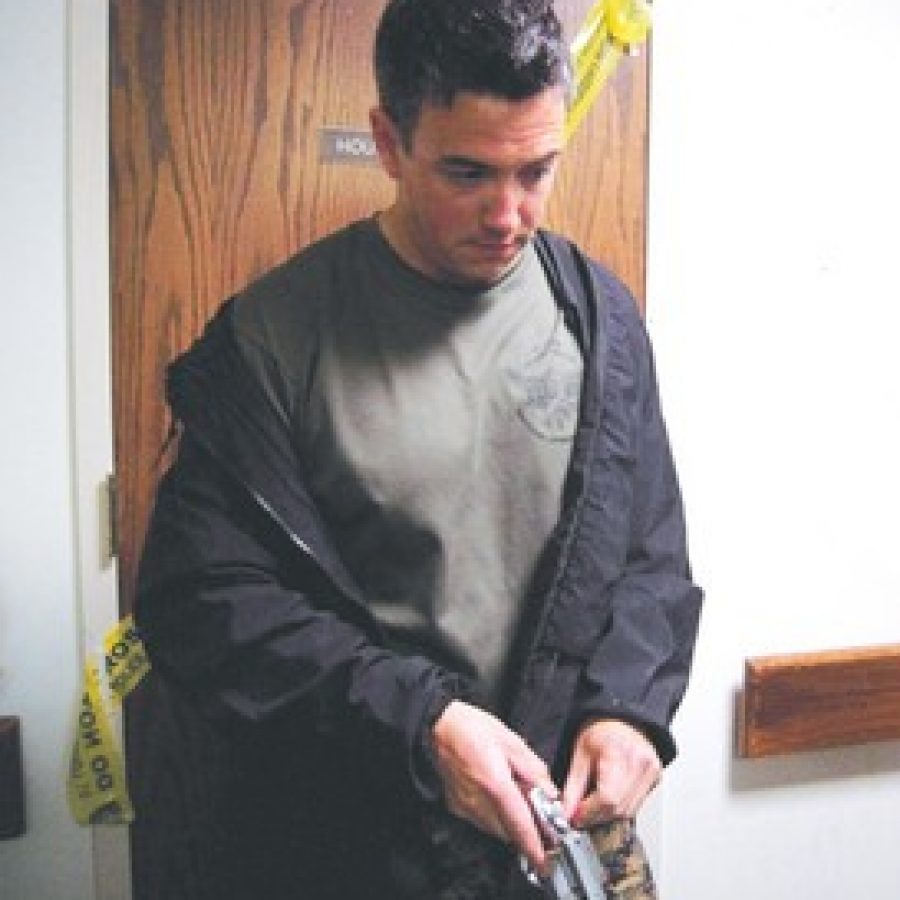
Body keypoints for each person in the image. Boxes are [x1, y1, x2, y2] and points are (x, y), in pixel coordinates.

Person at [134, 1, 702, 898]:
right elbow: (204, 605)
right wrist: (422, 726)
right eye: (468, 172)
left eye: (537, 170)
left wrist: (631, 708)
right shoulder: (271, 340)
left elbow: (652, 560)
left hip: (557, 851)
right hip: (355, 844)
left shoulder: (602, 320)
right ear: (389, 142)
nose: (509, 214)